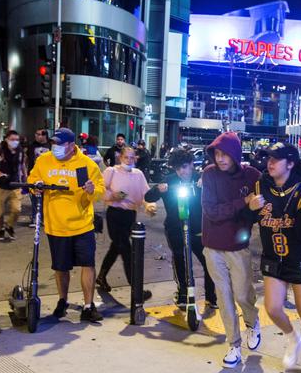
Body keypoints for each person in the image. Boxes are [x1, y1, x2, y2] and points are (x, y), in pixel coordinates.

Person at [247, 142, 301, 373]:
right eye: (269, 158)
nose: (270, 163)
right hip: (273, 258)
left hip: (299, 257)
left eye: (276, 159)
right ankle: (293, 337)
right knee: (272, 308)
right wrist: (250, 208)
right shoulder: (260, 186)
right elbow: (251, 219)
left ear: (290, 163)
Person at [28, 128, 105, 322]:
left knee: (87, 264)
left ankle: (88, 306)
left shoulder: (86, 164)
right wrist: (35, 187)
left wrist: (91, 190)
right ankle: (62, 301)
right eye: (53, 143)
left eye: (59, 144)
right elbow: (32, 180)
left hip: (82, 225)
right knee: (61, 267)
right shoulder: (43, 161)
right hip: (56, 225)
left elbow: (100, 190)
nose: (55, 147)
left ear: (71, 146)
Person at [201, 131, 261, 368]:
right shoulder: (209, 175)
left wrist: (252, 207)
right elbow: (212, 212)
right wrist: (243, 203)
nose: (221, 159)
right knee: (224, 298)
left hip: (238, 247)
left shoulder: (253, 176)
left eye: (225, 154)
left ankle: (252, 322)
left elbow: (257, 212)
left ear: (235, 154)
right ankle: (233, 345)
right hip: (212, 247)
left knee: (243, 294)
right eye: (217, 154)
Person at [144, 149, 217, 308]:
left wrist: (206, 184)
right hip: (175, 227)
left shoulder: (200, 178)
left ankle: (211, 296)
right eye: (178, 168)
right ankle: (183, 293)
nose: (182, 172)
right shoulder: (169, 180)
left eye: (185, 167)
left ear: (192, 165)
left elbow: (218, 192)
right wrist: (158, 189)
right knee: (180, 259)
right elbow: (148, 197)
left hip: (197, 227)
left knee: (208, 260)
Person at [96, 147, 157, 300]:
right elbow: (100, 191)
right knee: (126, 250)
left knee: (116, 247)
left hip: (130, 215)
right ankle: (136, 289)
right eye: (126, 157)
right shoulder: (112, 171)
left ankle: (101, 276)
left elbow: (145, 194)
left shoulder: (138, 174)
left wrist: (148, 205)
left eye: (132, 157)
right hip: (115, 214)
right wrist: (113, 195)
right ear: (120, 157)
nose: (129, 160)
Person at [0, 130, 26, 240]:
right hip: (1, 186)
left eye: (17, 139)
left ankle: (9, 225)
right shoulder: (0, 149)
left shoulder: (20, 150)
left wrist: (25, 176)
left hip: (15, 185)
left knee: (17, 210)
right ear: (7, 139)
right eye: (12, 139)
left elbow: (23, 163)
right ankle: (0, 230)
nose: (15, 142)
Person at [27, 129, 52, 227]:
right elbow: (28, 159)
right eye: (36, 134)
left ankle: (45, 218)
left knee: (47, 198)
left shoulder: (51, 146)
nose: (36, 136)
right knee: (35, 197)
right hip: (35, 175)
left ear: (44, 135)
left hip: (48, 175)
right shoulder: (32, 146)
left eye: (38, 134)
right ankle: (35, 218)